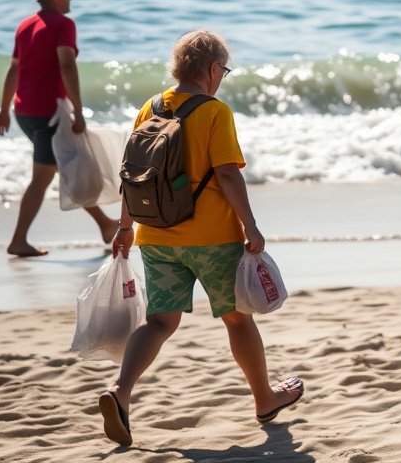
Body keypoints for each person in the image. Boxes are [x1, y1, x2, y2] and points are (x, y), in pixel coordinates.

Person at [99, 30, 303, 446]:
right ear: (213, 69)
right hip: (211, 238)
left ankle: (120, 391)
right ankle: (265, 399)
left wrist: (125, 228)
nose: (222, 77)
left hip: (154, 235)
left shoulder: (150, 107)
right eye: (223, 70)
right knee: (236, 318)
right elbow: (227, 172)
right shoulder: (215, 111)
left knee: (160, 321)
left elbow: (133, 175)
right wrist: (250, 224)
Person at [0, 0, 119, 257]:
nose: (71, 0)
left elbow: (14, 69)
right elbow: (67, 65)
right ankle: (18, 241)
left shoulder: (25, 26)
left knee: (65, 166)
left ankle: (106, 224)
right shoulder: (64, 24)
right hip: (49, 113)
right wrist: (78, 110)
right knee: (44, 175)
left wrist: (4, 109)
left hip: (25, 111)